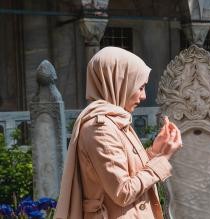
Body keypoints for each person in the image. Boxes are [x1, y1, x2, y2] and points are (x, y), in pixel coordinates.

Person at [54, 47, 182, 219]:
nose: (144, 96)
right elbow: (123, 192)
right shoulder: (99, 128)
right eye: (140, 87)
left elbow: (129, 172)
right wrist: (163, 158)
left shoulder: (115, 120)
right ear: (119, 82)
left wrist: (155, 152)